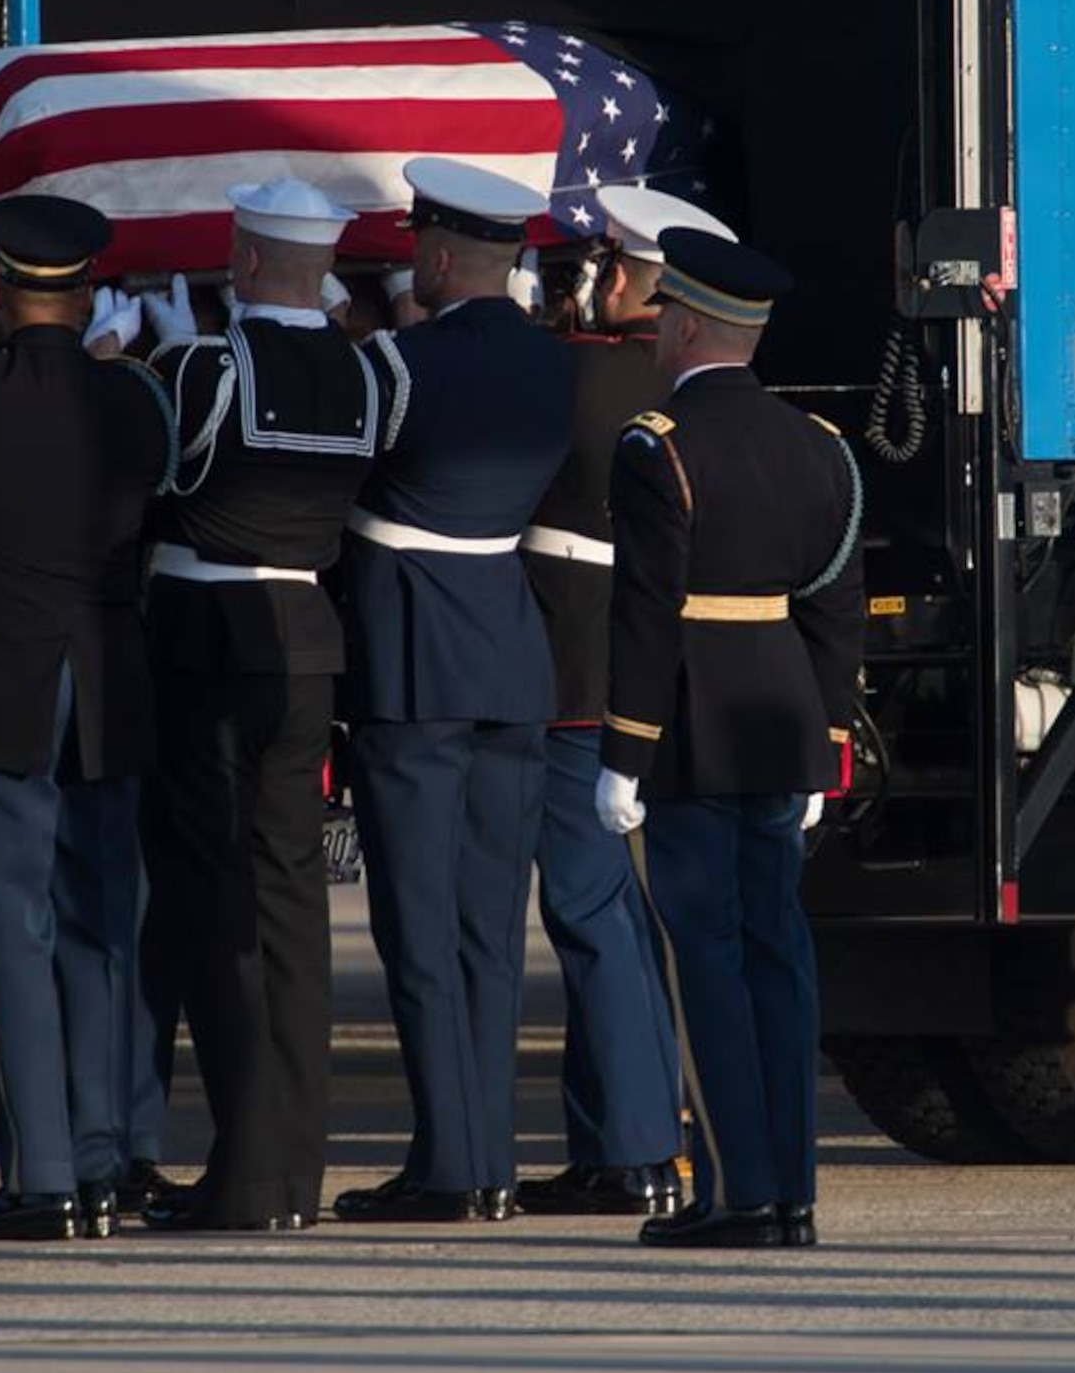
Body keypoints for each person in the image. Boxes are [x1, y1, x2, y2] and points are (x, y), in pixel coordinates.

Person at [0, 194, 172, 1242]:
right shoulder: (137, 401)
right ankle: (99, 1163)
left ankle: (41, 1174)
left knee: (12, 924)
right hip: (105, 680)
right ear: (91, 287)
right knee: (101, 927)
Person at [595, 226, 864, 1250]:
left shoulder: (656, 444)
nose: (659, 329)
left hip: (695, 728)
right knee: (778, 956)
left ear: (693, 324)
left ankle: (736, 1193)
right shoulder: (822, 446)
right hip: (784, 716)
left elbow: (647, 611)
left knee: (704, 957)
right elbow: (836, 606)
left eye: (667, 314)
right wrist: (829, 736)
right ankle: (790, 1191)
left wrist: (625, 749)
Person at [137, 179, 398, 1231]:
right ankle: (290, 1169)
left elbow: (151, 482)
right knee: (292, 915)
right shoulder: (375, 374)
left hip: (207, 649)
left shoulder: (202, 367)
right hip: (308, 652)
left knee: (214, 909)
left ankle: (245, 1174)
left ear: (244, 263)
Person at [334, 157, 574, 1224]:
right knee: (488, 928)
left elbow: (346, 479)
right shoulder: (556, 365)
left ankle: (450, 1165)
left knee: (420, 927)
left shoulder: (395, 362)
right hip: (510, 657)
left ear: (434, 254)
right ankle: (493, 1161)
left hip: (414, 657)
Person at [516, 185, 739, 1220]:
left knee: (589, 908)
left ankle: (640, 1145)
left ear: (622, 273)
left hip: (575, 665)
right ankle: (622, 1134)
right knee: (626, 917)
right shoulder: (694, 390)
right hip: (663, 673)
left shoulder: (574, 372)